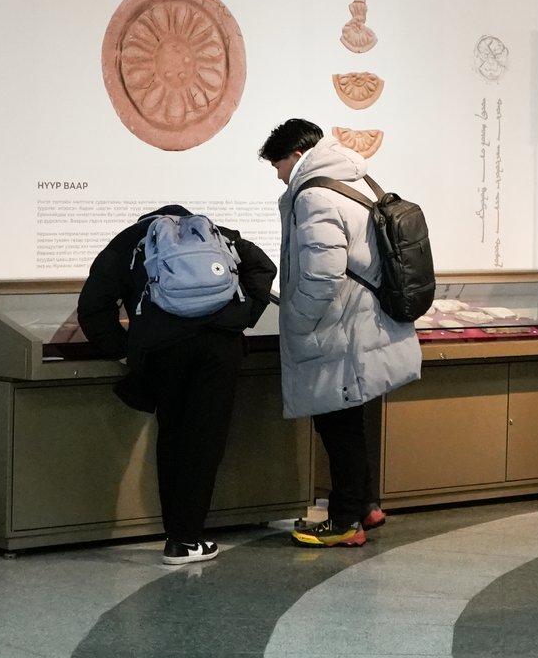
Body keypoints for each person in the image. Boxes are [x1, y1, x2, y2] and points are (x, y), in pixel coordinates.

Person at [78, 205, 276, 565]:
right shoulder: (217, 234)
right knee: (205, 441)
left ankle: (177, 535)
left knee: (173, 434)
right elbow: (263, 266)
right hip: (219, 347)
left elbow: (93, 305)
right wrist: (242, 316)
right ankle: (186, 538)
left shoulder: (130, 241)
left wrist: (124, 348)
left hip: (164, 350)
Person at [260, 118, 421, 547]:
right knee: (351, 419)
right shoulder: (357, 179)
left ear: (297, 156)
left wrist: (297, 321)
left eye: (278, 165)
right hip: (364, 322)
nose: (278, 176)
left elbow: (322, 273)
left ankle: (345, 522)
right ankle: (365, 505)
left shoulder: (314, 194)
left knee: (338, 426)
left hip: (337, 329)